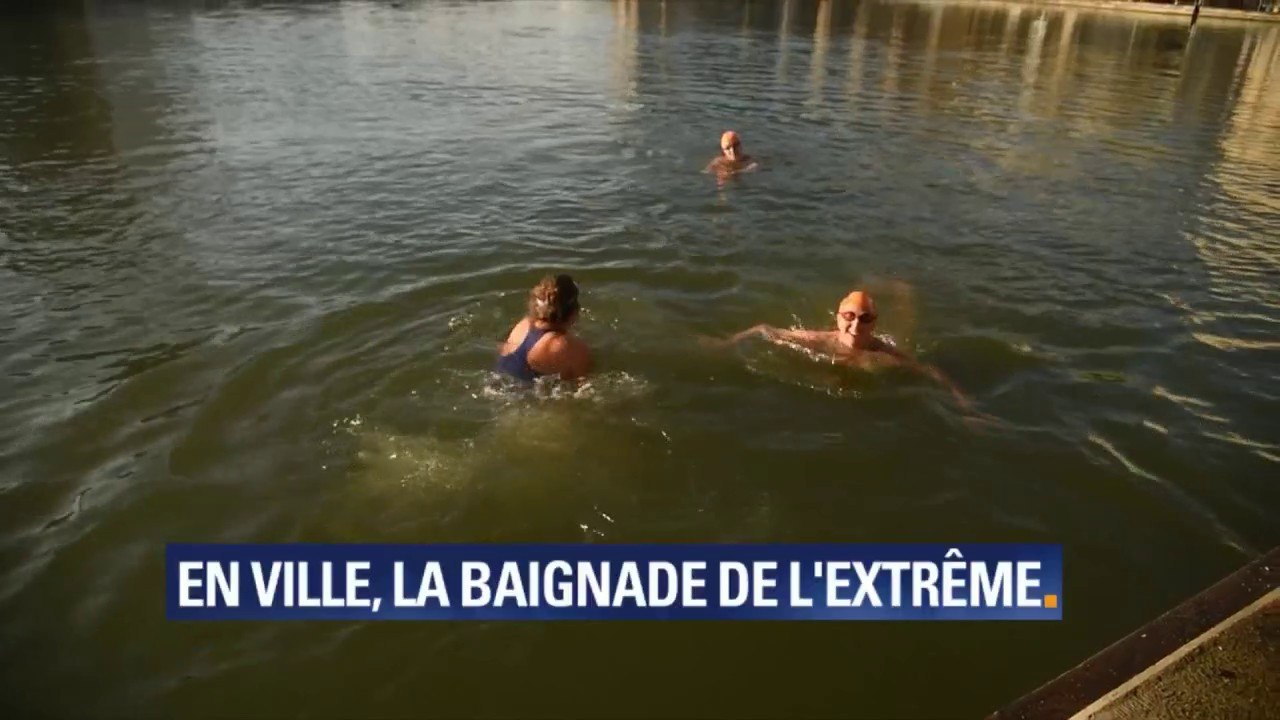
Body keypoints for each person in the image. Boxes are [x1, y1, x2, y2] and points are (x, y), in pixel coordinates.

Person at [725, 290, 971, 408]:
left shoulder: (884, 354)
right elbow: (763, 329)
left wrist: (966, 407)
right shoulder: (819, 341)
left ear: (874, 323)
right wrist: (726, 343)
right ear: (839, 317)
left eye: (864, 319)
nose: (855, 325)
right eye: (849, 316)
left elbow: (931, 372)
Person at [496, 274, 592, 382]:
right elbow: (584, 382)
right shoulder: (565, 346)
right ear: (574, 311)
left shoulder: (523, 325)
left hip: (496, 383)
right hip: (526, 396)